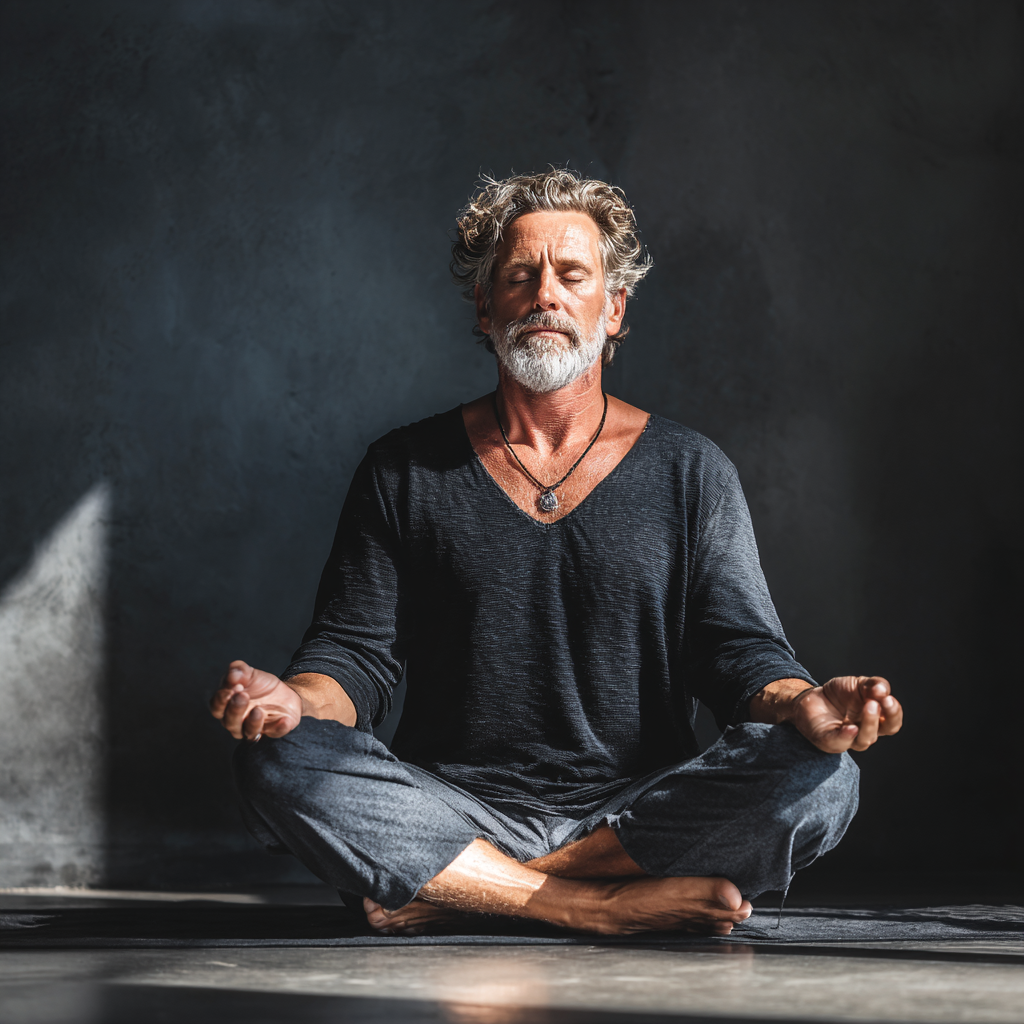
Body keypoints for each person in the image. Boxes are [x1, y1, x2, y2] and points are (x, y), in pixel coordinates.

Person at [210, 169, 903, 937]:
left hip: (638, 814)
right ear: (485, 306)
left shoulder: (691, 471)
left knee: (824, 776)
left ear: (614, 308)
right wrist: (294, 705)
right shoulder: (403, 469)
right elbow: (352, 658)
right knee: (277, 759)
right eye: (519, 276)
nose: (545, 295)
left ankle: (462, 888)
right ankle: (591, 905)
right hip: (450, 806)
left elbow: (737, 654)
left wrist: (801, 702)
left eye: (572, 275)